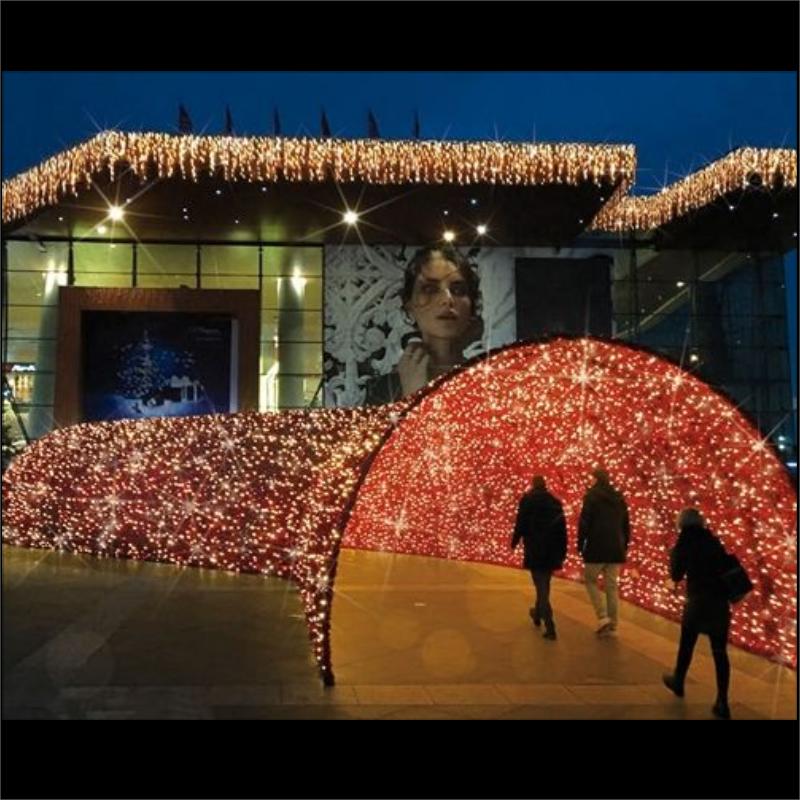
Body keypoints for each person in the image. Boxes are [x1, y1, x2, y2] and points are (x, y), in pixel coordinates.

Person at [364, 245, 482, 405]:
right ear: (409, 306)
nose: (447, 299)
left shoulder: (487, 384)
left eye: (458, 290)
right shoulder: (384, 390)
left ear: (472, 306)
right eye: (430, 289)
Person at [662, 508, 732, 720]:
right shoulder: (713, 541)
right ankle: (722, 700)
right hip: (719, 602)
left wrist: (673, 556)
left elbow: (676, 574)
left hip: (698, 601)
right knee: (719, 652)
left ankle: (679, 681)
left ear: (681, 524)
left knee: (687, 644)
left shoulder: (684, 543)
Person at [511, 475, 567, 640]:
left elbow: (520, 523)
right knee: (544, 584)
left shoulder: (527, 501)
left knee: (541, 587)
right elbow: (562, 530)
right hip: (552, 551)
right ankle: (537, 614)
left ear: (533, 485)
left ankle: (550, 626)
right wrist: (563, 551)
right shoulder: (555, 503)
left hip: (535, 548)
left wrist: (514, 541)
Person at [577, 467, 631, 636]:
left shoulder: (591, 497)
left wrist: (580, 543)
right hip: (616, 547)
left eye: (591, 478)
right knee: (611, 586)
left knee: (590, 579)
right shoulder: (618, 498)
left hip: (597, 546)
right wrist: (624, 544)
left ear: (596, 479)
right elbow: (626, 524)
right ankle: (613, 624)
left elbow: (584, 522)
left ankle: (602, 617)